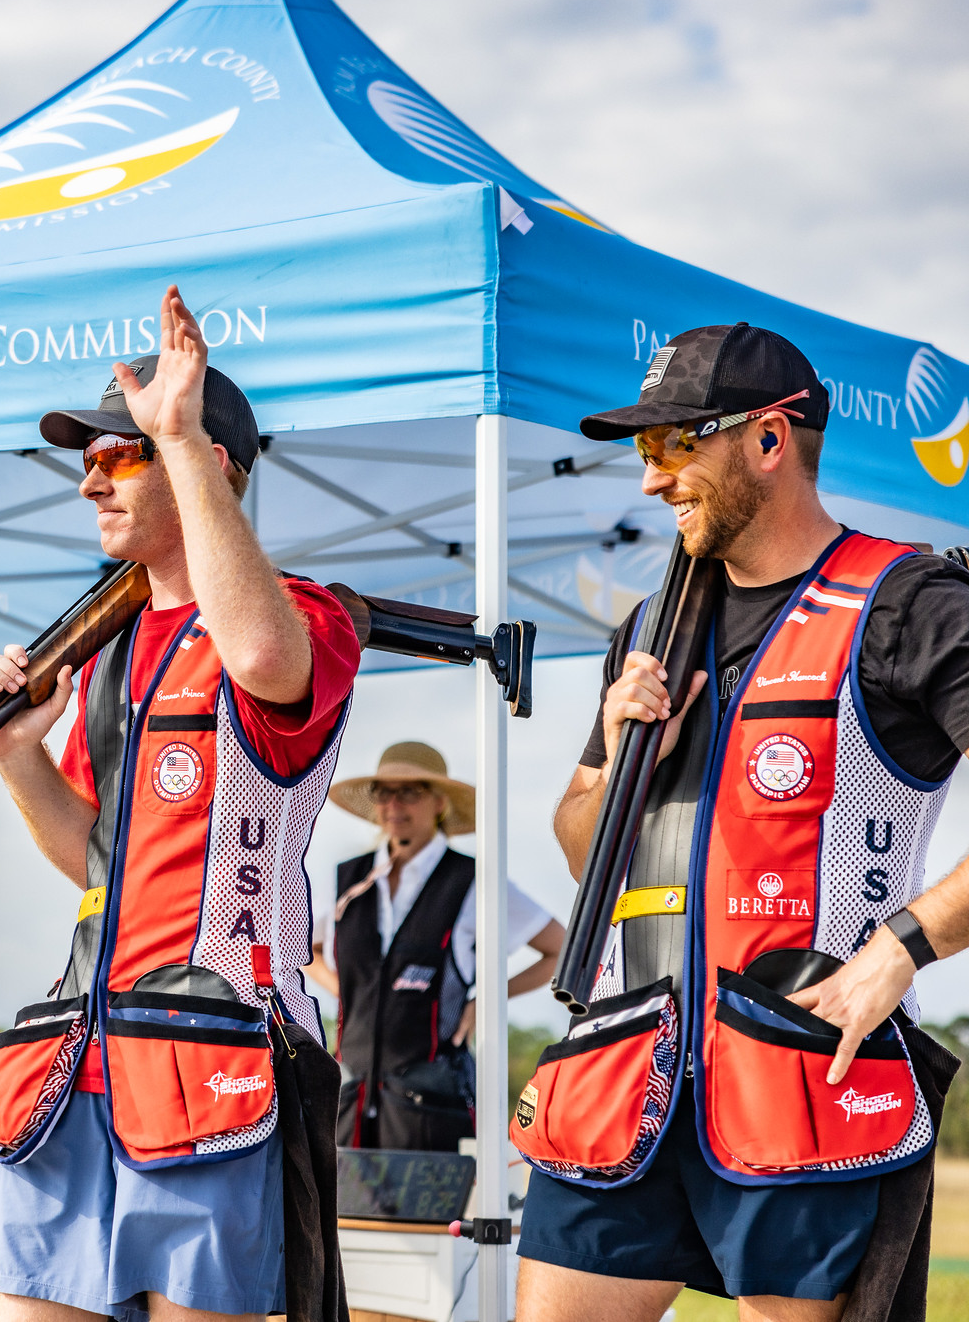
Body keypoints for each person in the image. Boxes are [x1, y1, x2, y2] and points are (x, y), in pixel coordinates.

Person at [515, 323, 969, 1321]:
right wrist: (616, 749)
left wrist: (901, 948)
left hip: (799, 1074)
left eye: (672, 447)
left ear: (767, 440)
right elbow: (584, 846)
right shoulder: (648, 630)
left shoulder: (905, 601)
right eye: (641, 453)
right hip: (625, 1066)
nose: (647, 481)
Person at [0, 285, 362, 1322]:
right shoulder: (109, 647)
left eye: (118, 454)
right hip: (74, 1056)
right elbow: (88, 856)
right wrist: (15, 751)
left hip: (208, 1045)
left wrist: (175, 434)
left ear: (205, 462)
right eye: (89, 460)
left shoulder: (304, 612)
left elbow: (265, 660)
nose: (91, 480)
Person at [308, 740, 564, 1151]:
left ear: (440, 802)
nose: (395, 804)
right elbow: (302, 950)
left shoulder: (474, 880)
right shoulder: (347, 880)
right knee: (343, 1214)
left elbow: (563, 950)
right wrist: (347, 991)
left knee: (430, 1216)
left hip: (430, 1105)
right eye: (385, 792)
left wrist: (488, 1001)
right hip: (349, 1097)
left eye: (410, 792)